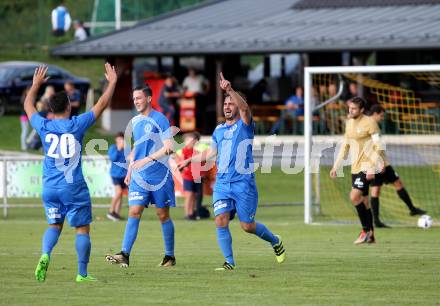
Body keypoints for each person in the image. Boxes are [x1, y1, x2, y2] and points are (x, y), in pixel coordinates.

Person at [178, 72, 286, 270]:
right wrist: (188, 160)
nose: (227, 106)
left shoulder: (245, 125)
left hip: (243, 184)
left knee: (247, 226)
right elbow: (211, 154)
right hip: (222, 184)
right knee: (220, 220)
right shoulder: (218, 130)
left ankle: (275, 241)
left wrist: (229, 89)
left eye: (231, 103)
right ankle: (230, 262)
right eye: (225, 104)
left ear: (238, 106)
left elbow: (245, 108)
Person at [26, 63, 117, 282]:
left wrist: (35, 85)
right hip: (72, 186)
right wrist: (112, 82)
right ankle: (82, 274)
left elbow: (28, 105)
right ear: (68, 106)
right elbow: (102, 103)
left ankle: (46, 254)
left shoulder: (43, 125)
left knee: (54, 225)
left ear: (49, 109)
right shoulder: (77, 124)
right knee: (82, 229)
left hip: (49, 187)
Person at [105, 85, 176, 268]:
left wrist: (147, 160)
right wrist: (130, 169)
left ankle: (169, 256)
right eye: (134, 98)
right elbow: (138, 147)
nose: (136, 101)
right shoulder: (135, 121)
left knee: (162, 215)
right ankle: (125, 254)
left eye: (139, 98)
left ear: (149, 99)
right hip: (139, 176)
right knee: (134, 211)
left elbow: (169, 147)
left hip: (160, 176)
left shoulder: (160, 119)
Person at [330, 96, 384, 244]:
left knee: (354, 196)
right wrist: (336, 165)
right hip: (355, 168)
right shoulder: (349, 124)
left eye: (354, 108)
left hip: (367, 167)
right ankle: (371, 236)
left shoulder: (370, 123)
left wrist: (373, 165)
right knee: (365, 202)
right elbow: (345, 147)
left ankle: (365, 231)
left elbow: (379, 145)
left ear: (361, 110)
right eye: (350, 108)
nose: (350, 110)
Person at [368, 104, 427, 228]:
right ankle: (377, 220)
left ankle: (411, 209)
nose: (382, 118)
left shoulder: (370, 124)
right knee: (377, 189)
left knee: (393, 184)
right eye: (381, 115)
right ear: (375, 113)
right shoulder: (371, 126)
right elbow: (372, 146)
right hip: (377, 163)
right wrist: (379, 162)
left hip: (379, 162)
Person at [178, 131, 203, 220]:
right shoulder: (184, 151)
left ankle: (192, 213)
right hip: (188, 177)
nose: (192, 142)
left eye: (193, 140)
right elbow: (180, 162)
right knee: (189, 196)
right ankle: (188, 214)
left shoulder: (196, 151)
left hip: (197, 177)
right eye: (189, 140)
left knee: (194, 196)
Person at [107, 132, 128, 221]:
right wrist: (119, 149)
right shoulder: (113, 148)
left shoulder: (127, 149)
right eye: (118, 139)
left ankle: (116, 213)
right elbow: (113, 158)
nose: (120, 141)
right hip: (115, 174)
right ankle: (111, 211)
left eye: (121, 139)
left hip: (124, 175)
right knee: (118, 192)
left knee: (121, 194)